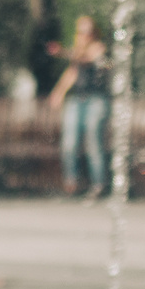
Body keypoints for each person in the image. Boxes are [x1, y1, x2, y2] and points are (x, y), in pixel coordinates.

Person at [47, 15, 109, 199]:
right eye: (80, 31)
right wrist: (58, 92)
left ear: (94, 33)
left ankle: (99, 184)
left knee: (93, 141)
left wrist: (61, 52)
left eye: (87, 32)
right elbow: (72, 73)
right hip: (77, 100)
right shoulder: (77, 52)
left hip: (96, 100)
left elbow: (86, 58)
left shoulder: (100, 49)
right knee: (69, 142)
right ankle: (72, 182)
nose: (84, 36)